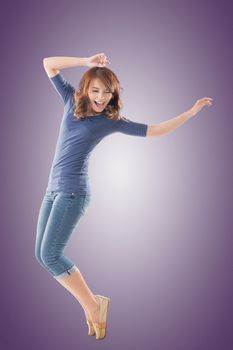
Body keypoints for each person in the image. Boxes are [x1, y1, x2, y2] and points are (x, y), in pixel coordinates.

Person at [35, 53, 213, 340]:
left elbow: (153, 131)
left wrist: (190, 113)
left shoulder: (110, 120)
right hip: (51, 191)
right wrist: (86, 60)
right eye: (95, 90)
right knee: (41, 257)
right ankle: (92, 305)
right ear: (85, 89)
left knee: (50, 255)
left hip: (72, 193)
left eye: (107, 93)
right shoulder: (70, 100)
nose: (101, 97)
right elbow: (48, 64)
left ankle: (93, 306)